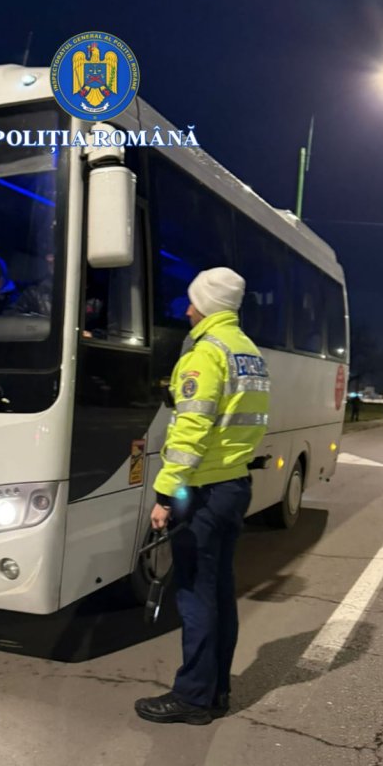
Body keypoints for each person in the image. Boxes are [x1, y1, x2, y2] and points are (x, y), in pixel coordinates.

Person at [135, 268, 270, 725]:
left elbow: (190, 433)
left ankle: (192, 698)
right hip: (233, 486)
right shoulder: (248, 353)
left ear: (208, 304)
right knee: (218, 595)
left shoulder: (206, 355)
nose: (187, 310)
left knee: (195, 596)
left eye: (192, 302)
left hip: (204, 490)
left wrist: (165, 496)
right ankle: (215, 692)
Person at [16, 252, 54, 317]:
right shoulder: (34, 293)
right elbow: (13, 317)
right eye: (49, 255)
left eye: (54, 254)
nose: (49, 259)